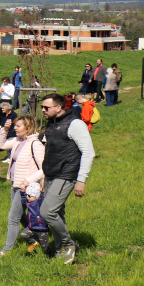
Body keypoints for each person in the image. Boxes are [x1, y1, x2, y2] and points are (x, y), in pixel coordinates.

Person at [34, 93, 95, 263]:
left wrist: (81, 180)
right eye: (42, 107)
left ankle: (69, 245)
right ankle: (62, 249)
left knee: (47, 212)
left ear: (59, 107)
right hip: (51, 175)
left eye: (46, 108)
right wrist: (44, 176)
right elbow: (50, 152)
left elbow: (88, 152)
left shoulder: (74, 124)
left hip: (66, 175)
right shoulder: (51, 124)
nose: (43, 110)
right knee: (57, 214)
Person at [0, 115, 45, 260]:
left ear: (27, 128)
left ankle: (6, 250)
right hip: (15, 184)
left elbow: (44, 168)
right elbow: (1, 145)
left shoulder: (35, 144)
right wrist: (4, 129)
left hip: (26, 187)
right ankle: (37, 236)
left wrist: (28, 180)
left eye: (18, 126)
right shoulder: (18, 141)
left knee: (13, 217)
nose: (15, 128)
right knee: (20, 216)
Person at [20, 182, 53, 255]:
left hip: (41, 229)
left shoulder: (39, 203)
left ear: (36, 196)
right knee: (23, 234)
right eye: (26, 195)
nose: (27, 197)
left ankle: (51, 257)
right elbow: (23, 199)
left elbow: (43, 198)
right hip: (31, 228)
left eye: (30, 196)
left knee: (45, 246)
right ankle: (35, 242)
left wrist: (41, 192)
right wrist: (23, 192)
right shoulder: (29, 203)